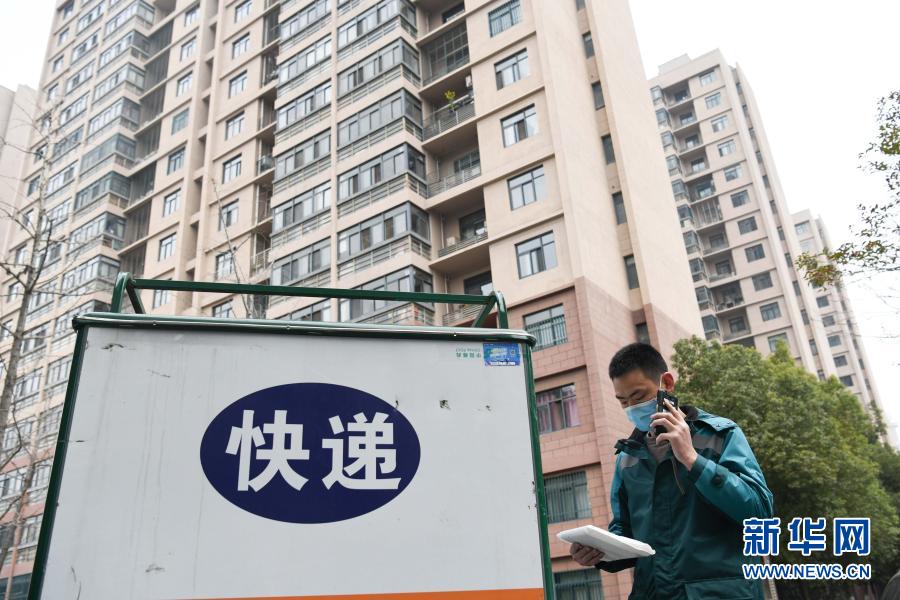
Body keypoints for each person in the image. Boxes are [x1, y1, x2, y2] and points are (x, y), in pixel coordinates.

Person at [569, 343, 774, 599]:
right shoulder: (627, 457)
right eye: (623, 401)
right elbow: (625, 531)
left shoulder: (721, 435)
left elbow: (759, 511)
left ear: (666, 383)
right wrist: (599, 553)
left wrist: (692, 459)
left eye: (638, 396)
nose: (631, 408)